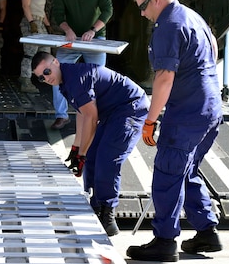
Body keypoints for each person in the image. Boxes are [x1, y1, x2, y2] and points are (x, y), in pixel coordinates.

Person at [126, 0, 223, 262]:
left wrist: (150, 120)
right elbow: (214, 50)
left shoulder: (168, 25)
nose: (142, 14)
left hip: (187, 113)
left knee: (168, 172)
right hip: (210, 109)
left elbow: (165, 77)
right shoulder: (193, 17)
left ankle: (165, 241)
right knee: (187, 169)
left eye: (142, 7)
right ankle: (207, 232)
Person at [31, 51, 149, 236]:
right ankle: (94, 205)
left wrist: (81, 154)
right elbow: (81, 113)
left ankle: (107, 214)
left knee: (107, 158)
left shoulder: (76, 77)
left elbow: (91, 117)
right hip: (111, 112)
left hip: (130, 108)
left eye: (47, 71)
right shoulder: (65, 82)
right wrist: (77, 149)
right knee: (92, 157)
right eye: (40, 78)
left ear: (55, 62)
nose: (46, 78)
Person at [50, 0, 113, 130]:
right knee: (56, 72)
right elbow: (58, 14)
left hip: (94, 37)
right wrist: (67, 30)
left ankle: (100, 116)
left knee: (100, 77)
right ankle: (61, 115)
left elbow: (108, 10)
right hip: (71, 37)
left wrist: (93, 30)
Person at [19, 0, 51, 94]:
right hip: (30, 21)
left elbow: (41, 11)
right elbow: (25, 5)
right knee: (30, 52)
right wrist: (31, 22)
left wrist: (48, 25)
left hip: (40, 21)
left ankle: (42, 76)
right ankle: (25, 80)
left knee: (45, 51)